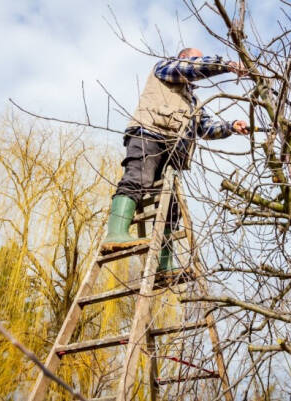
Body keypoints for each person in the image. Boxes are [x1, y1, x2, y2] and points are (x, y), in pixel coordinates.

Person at [101, 48, 249, 270]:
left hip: (173, 154)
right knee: (137, 179)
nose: (199, 62)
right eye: (196, 58)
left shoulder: (193, 101)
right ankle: (116, 233)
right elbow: (190, 69)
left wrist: (231, 126)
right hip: (149, 134)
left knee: (171, 209)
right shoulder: (166, 68)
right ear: (184, 58)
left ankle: (163, 264)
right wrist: (225, 65)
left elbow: (206, 128)